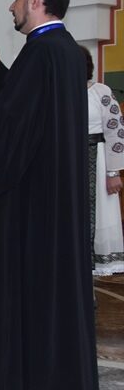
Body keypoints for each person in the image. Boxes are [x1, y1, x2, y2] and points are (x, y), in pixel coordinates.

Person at [0, 0, 97, 390]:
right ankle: (60, 379)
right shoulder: (65, 51)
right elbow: (32, 105)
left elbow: (15, 121)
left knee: (30, 285)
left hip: (31, 198)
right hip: (56, 191)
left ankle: (27, 379)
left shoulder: (40, 51)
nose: (12, 5)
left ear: (36, 0)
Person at [80, 46, 124, 277]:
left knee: (99, 211)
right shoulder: (57, 92)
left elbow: (116, 131)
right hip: (67, 160)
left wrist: (113, 172)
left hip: (97, 159)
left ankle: (97, 263)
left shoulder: (101, 92)